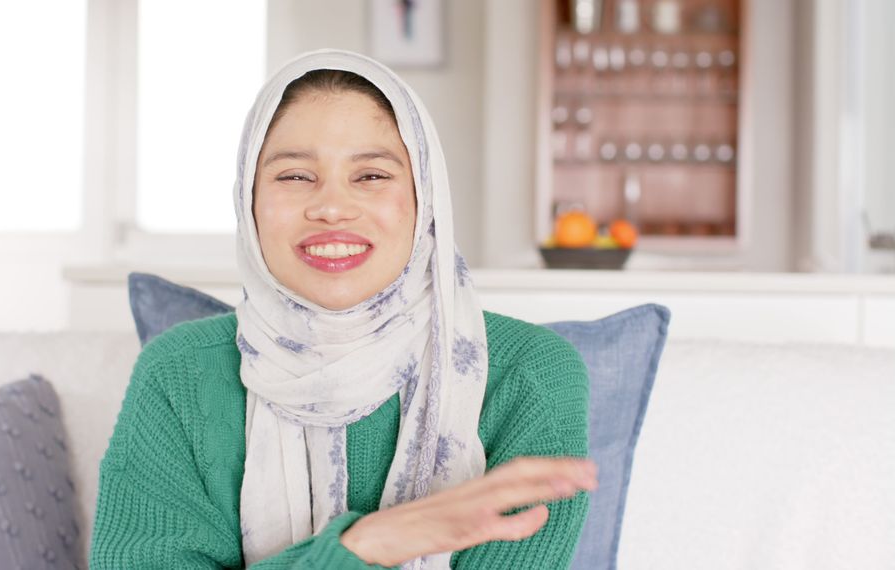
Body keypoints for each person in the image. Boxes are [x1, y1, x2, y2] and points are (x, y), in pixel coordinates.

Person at [90, 49, 596, 569]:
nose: (331, 207)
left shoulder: (531, 377)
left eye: (372, 176)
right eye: (294, 177)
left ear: (426, 199)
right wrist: (370, 545)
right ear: (248, 200)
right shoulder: (180, 374)